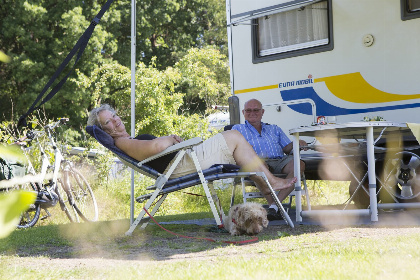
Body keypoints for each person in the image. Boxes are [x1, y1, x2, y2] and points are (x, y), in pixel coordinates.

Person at [87, 104, 297, 200]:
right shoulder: (123, 142)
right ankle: (272, 182)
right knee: (233, 136)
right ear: (105, 130)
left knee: (238, 149)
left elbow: (155, 150)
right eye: (108, 121)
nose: (115, 120)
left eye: (114, 115)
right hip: (181, 166)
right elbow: (157, 148)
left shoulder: (128, 140)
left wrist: (172, 142)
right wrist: (169, 139)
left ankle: (270, 198)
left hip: (182, 161)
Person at [232, 99, 307, 220]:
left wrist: (297, 143)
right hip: (257, 162)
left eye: (256, 110)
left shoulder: (274, 129)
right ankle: (276, 207)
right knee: (259, 165)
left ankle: (273, 207)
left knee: (299, 165)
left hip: (279, 160)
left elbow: (287, 148)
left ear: (262, 112)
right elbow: (234, 148)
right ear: (243, 112)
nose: (252, 113)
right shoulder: (237, 129)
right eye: (248, 110)